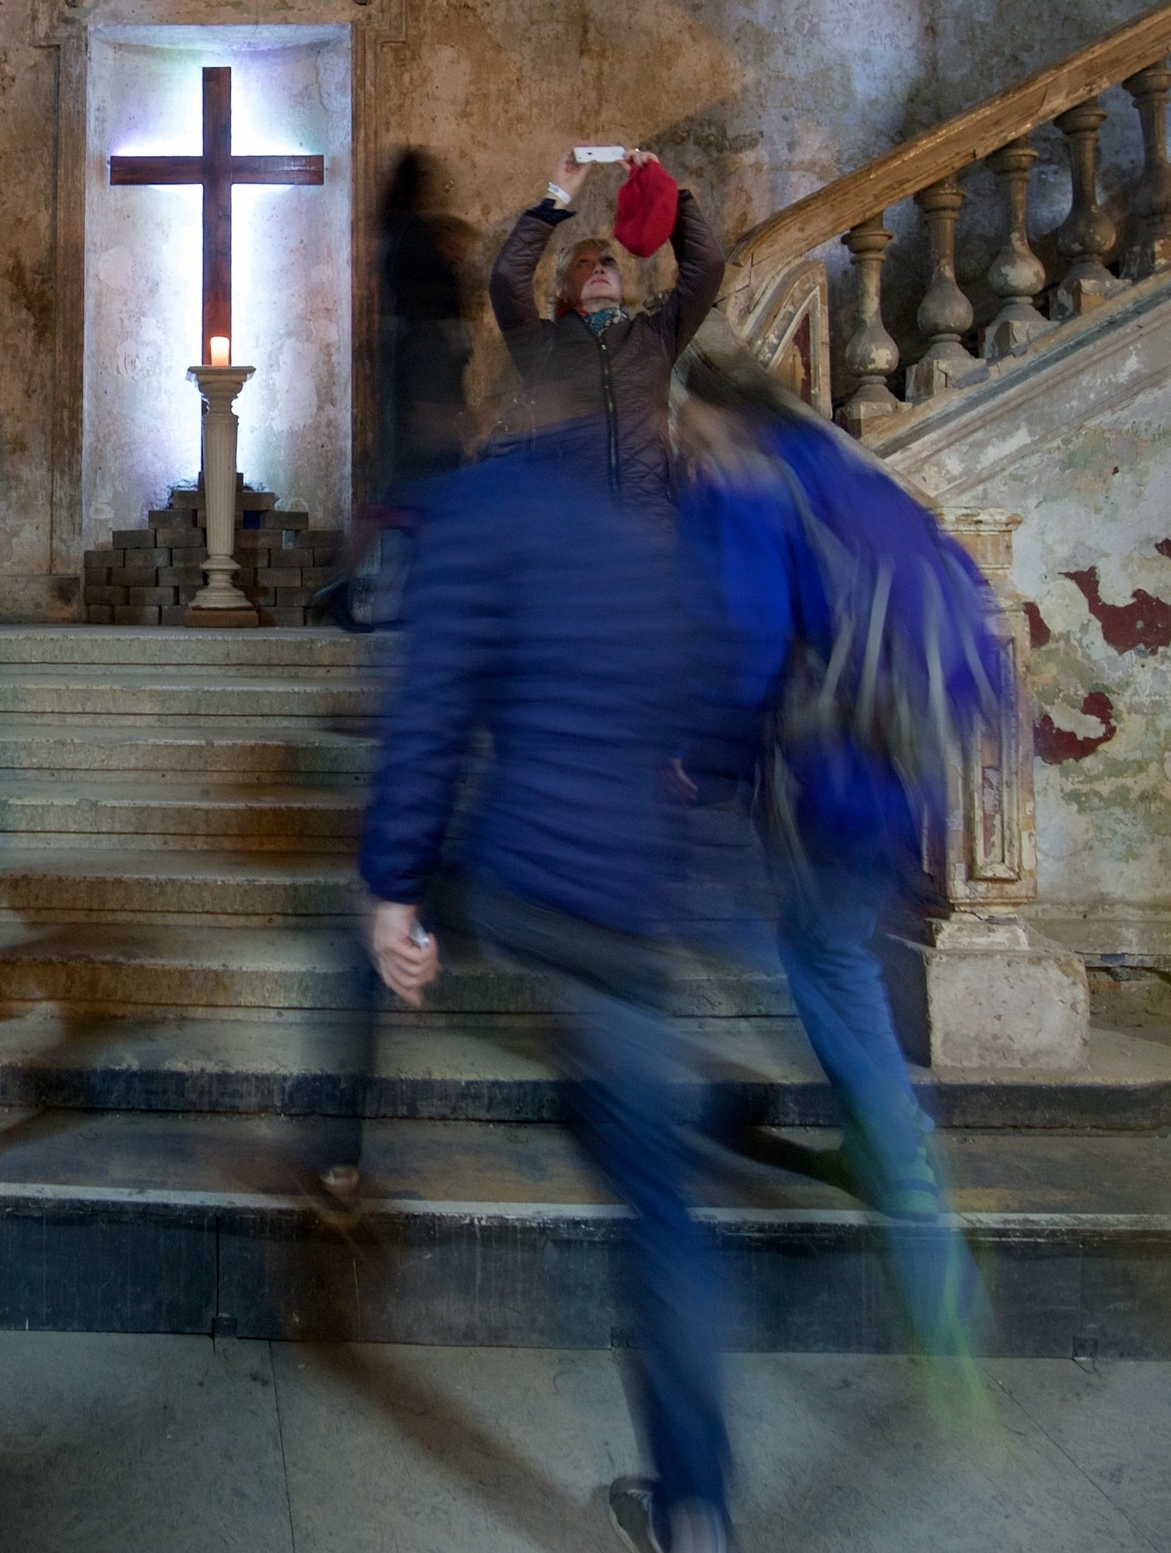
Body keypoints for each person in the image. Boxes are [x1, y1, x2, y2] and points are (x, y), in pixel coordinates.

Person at [357, 369, 737, 1549]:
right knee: (658, 1206)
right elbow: (704, 701)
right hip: (627, 895)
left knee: (370, 952)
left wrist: (393, 890)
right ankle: (698, 1507)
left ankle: (338, 1148)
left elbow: (430, 708)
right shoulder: (641, 537)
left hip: (525, 880)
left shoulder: (481, 516)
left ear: (514, 419)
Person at [672, 329, 1002, 1386]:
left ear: (716, 418)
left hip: (826, 777)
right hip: (909, 768)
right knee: (830, 944)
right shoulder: (856, 476)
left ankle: (916, 1218)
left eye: (686, 431)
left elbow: (748, 640)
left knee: (822, 962)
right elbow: (961, 590)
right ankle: (883, 1140)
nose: (682, 450)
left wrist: (705, 764)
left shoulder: (748, 485)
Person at [488, 145, 723, 518]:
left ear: (620, 279)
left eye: (608, 262)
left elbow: (706, 266)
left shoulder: (654, 337)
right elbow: (506, 279)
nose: (598, 268)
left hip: (649, 523)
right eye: (583, 263)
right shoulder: (543, 345)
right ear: (563, 288)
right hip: (573, 530)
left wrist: (665, 190)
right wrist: (558, 195)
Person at [313, 149, 475, 631]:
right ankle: (377, 592)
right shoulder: (414, 240)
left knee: (405, 496)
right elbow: (437, 313)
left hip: (416, 374)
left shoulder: (396, 235)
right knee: (416, 493)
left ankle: (372, 591)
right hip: (427, 377)